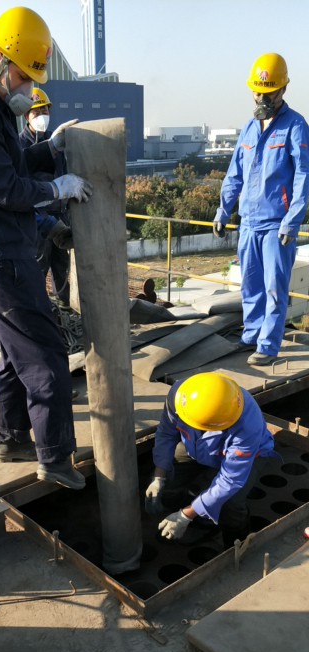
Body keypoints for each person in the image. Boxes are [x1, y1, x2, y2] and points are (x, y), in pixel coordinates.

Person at [0, 6, 93, 489]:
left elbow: (10, 164)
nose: (28, 89)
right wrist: (57, 188)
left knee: (14, 349)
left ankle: (8, 438)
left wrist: (49, 150)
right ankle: (55, 456)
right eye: (24, 77)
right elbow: (6, 187)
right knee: (46, 353)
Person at [213, 53, 309, 366]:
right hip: (248, 223)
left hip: (276, 224)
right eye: (257, 92)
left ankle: (268, 345)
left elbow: (303, 176)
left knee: (274, 288)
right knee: (250, 285)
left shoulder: (296, 126)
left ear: (283, 89)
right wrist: (223, 210)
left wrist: (292, 220)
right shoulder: (248, 128)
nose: (262, 98)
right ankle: (251, 336)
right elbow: (234, 173)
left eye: (268, 93)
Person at [145, 373, 281, 549]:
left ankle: (235, 547)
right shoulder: (180, 395)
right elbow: (166, 433)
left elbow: (230, 480)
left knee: (230, 504)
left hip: (248, 454)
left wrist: (184, 516)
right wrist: (159, 477)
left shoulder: (247, 424)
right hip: (195, 446)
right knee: (170, 479)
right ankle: (202, 520)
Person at [19, 88, 72, 308]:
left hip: (60, 213)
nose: (42, 115)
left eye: (45, 110)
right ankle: (40, 310)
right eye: (37, 111)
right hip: (36, 217)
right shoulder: (19, 145)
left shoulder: (56, 141)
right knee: (38, 265)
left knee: (62, 265)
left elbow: (64, 173)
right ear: (26, 115)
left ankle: (64, 308)